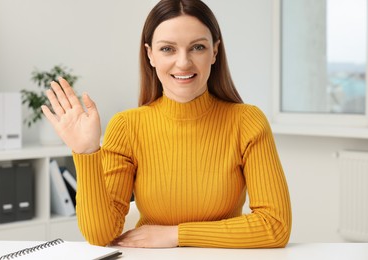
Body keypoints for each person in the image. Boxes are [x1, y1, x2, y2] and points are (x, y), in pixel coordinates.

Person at [42, 0, 292, 249]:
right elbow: (100, 235)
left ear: (215, 51)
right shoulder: (127, 126)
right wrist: (87, 152)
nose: (183, 62)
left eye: (197, 47)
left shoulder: (247, 122)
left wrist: (175, 235)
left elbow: (275, 226)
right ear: (150, 54)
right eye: (167, 49)